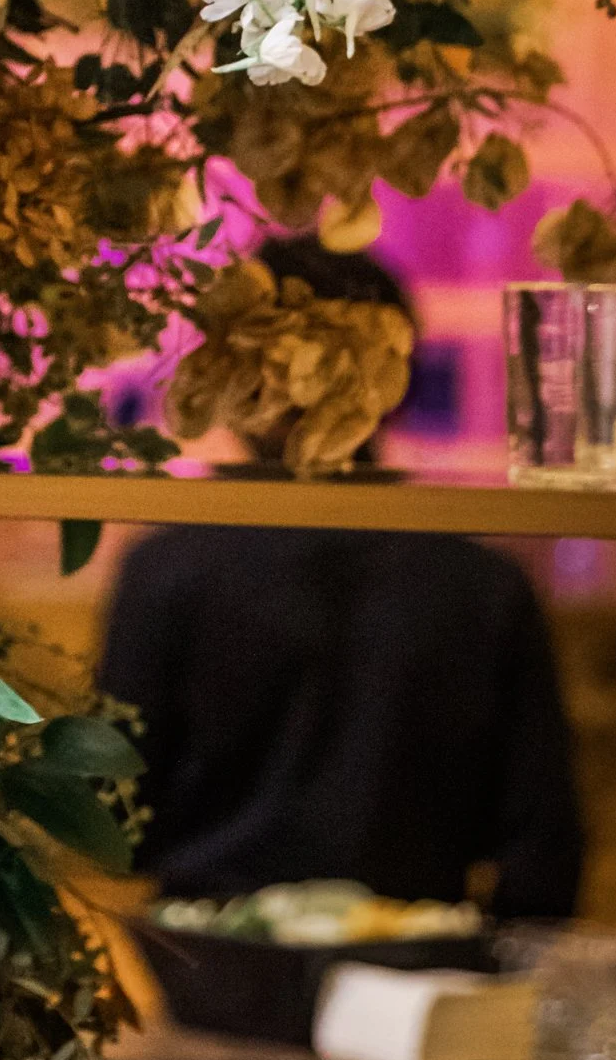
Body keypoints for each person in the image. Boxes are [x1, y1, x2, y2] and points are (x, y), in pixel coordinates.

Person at [100, 237, 584, 922]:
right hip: (410, 956)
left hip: (210, 951)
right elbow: (544, 850)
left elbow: (109, 819)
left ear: (231, 380)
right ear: (395, 380)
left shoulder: (166, 571)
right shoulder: (485, 587)